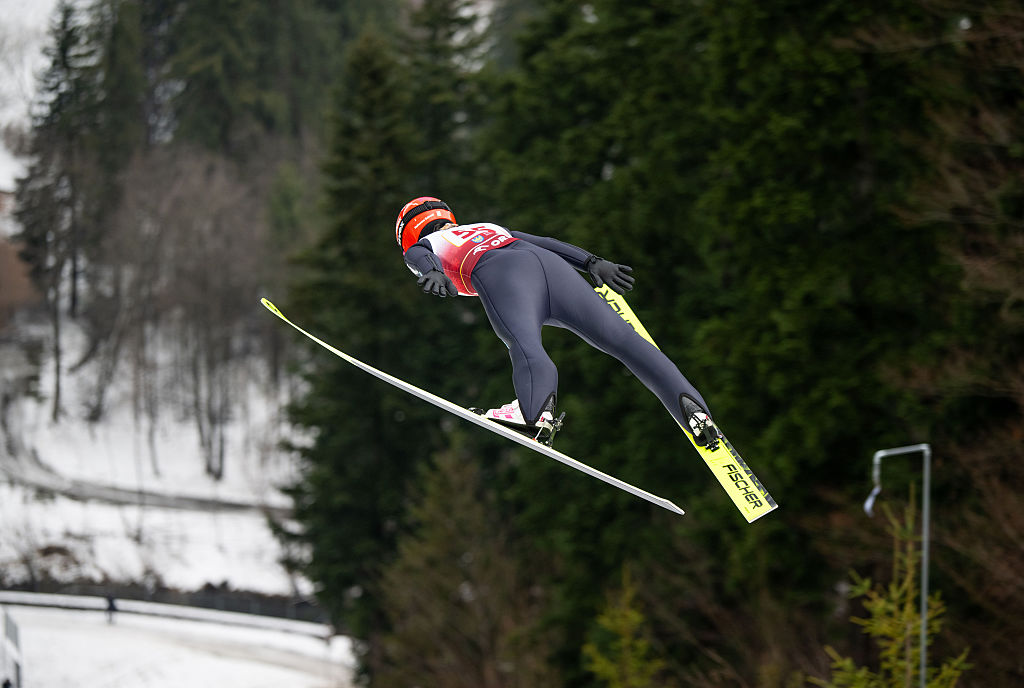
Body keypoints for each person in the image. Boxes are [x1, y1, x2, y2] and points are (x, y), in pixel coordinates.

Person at [397, 196, 717, 447]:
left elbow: (417, 253)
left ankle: (533, 414)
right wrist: (592, 262)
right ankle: (693, 409)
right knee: (625, 340)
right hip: (551, 267)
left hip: (503, 272)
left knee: (525, 344)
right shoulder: (489, 227)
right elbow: (546, 242)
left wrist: (432, 271)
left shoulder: (434, 243)